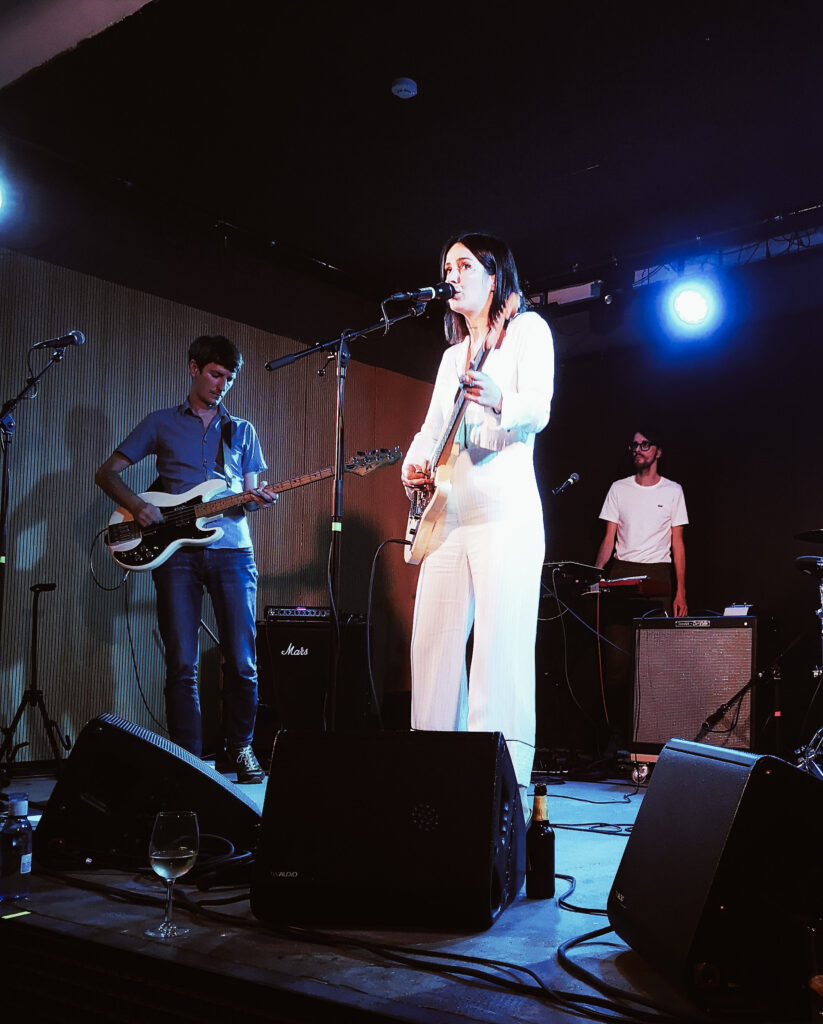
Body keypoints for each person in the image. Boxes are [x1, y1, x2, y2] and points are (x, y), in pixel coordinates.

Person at [401, 233, 554, 821]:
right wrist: (415, 461)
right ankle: (432, 790)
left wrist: (497, 397)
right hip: (450, 514)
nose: (453, 275)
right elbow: (433, 427)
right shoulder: (452, 357)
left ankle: (499, 801)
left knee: (499, 654)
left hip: (505, 513)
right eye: (448, 266)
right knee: (433, 647)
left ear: (495, 277)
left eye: (465, 265)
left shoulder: (528, 331)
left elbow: (537, 408)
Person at [95, 335, 277, 783]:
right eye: (215, 375)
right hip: (176, 555)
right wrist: (137, 505)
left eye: (229, 378)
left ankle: (241, 748)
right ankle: (188, 763)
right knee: (181, 663)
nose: (222, 385)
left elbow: (248, 493)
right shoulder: (160, 422)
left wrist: (258, 499)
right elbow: (107, 473)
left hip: (233, 551)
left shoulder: (243, 430)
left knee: (243, 661)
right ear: (194, 368)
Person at [593, 429, 688, 755]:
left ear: (658, 451)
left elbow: (677, 543)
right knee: (617, 665)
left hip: (658, 575)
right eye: (634, 445)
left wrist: (680, 592)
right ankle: (617, 736)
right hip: (622, 573)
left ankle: (656, 739)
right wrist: (597, 577)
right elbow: (609, 538)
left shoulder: (673, 490)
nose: (638, 450)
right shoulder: (618, 488)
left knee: (655, 665)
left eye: (645, 445)